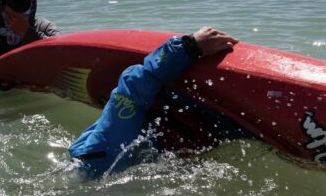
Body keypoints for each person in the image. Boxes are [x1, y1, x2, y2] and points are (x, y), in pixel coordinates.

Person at [69, 27, 238, 177]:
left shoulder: (103, 150)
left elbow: (134, 86)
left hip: (175, 115)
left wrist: (189, 47)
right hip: (181, 135)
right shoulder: (105, 165)